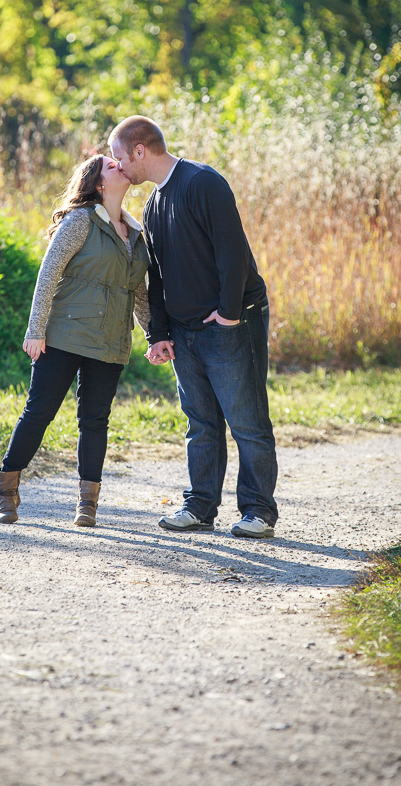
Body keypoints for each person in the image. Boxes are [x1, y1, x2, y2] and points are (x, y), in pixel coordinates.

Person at [109, 116, 278, 538]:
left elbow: (232, 253)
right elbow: (158, 277)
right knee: (200, 423)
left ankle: (258, 511)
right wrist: (160, 333)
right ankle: (200, 507)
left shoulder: (203, 182)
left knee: (247, 421)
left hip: (231, 324)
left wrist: (228, 315)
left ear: (140, 151)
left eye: (118, 156)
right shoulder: (152, 204)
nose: (117, 167)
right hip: (185, 333)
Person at [0, 154, 150, 527]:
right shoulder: (80, 221)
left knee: (95, 420)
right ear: (99, 183)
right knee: (39, 413)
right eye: (112, 166)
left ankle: (87, 505)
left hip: (110, 341)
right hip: (63, 336)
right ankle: (7, 489)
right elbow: (48, 273)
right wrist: (35, 330)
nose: (121, 166)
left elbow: (140, 293)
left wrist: (155, 335)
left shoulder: (136, 232)